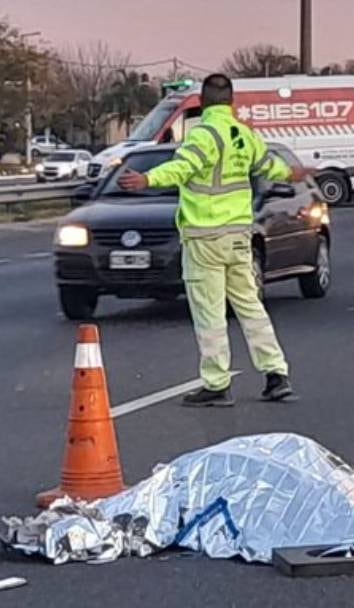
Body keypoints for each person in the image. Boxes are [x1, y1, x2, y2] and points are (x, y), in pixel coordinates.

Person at [117, 74, 299, 407]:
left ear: (202, 101)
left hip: (205, 235)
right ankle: (276, 374)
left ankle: (217, 383)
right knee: (250, 306)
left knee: (209, 313)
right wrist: (291, 173)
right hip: (239, 234)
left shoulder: (202, 135)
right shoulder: (244, 134)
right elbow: (269, 167)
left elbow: (182, 169)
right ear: (232, 102)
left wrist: (147, 178)